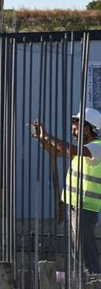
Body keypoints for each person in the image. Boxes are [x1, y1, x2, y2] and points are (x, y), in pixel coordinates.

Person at [31, 107, 101, 274]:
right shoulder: (84, 149)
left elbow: (68, 149)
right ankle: (84, 278)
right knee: (77, 249)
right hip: (75, 207)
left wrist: (48, 136)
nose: (73, 130)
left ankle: (92, 279)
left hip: (85, 208)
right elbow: (55, 151)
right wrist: (41, 139)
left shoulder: (96, 148)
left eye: (76, 127)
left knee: (84, 249)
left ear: (87, 129)